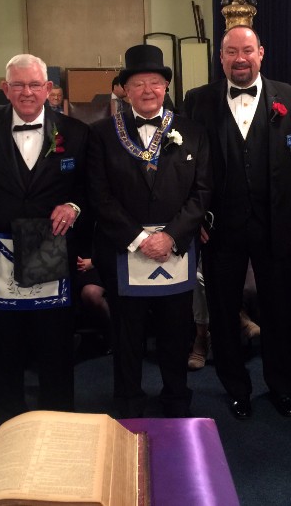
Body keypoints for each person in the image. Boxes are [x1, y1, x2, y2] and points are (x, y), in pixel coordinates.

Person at [182, 25, 291, 419]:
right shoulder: (197, 101)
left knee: (280, 311)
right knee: (224, 313)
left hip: (279, 226)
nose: (239, 59)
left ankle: (281, 386)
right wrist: (194, 216)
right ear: (221, 57)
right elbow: (186, 164)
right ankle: (236, 387)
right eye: (231, 52)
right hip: (219, 227)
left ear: (261, 53)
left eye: (247, 50)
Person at [88, 44, 211, 417]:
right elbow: (99, 195)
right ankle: (128, 402)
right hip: (124, 250)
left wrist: (170, 236)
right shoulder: (101, 134)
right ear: (125, 89)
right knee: (128, 333)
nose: (147, 90)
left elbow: (202, 192)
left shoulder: (192, 131)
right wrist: (140, 239)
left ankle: (176, 398)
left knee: (176, 330)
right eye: (138, 83)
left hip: (176, 248)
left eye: (155, 82)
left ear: (165, 86)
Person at [0, 54, 89, 423]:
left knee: (54, 340)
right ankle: (5, 419)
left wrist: (73, 205)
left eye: (35, 84)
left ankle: (58, 418)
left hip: (49, 245)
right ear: (5, 89)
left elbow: (89, 188)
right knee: (1, 340)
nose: (27, 92)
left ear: (48, 88)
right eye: (18, 85)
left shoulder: (76, 132)